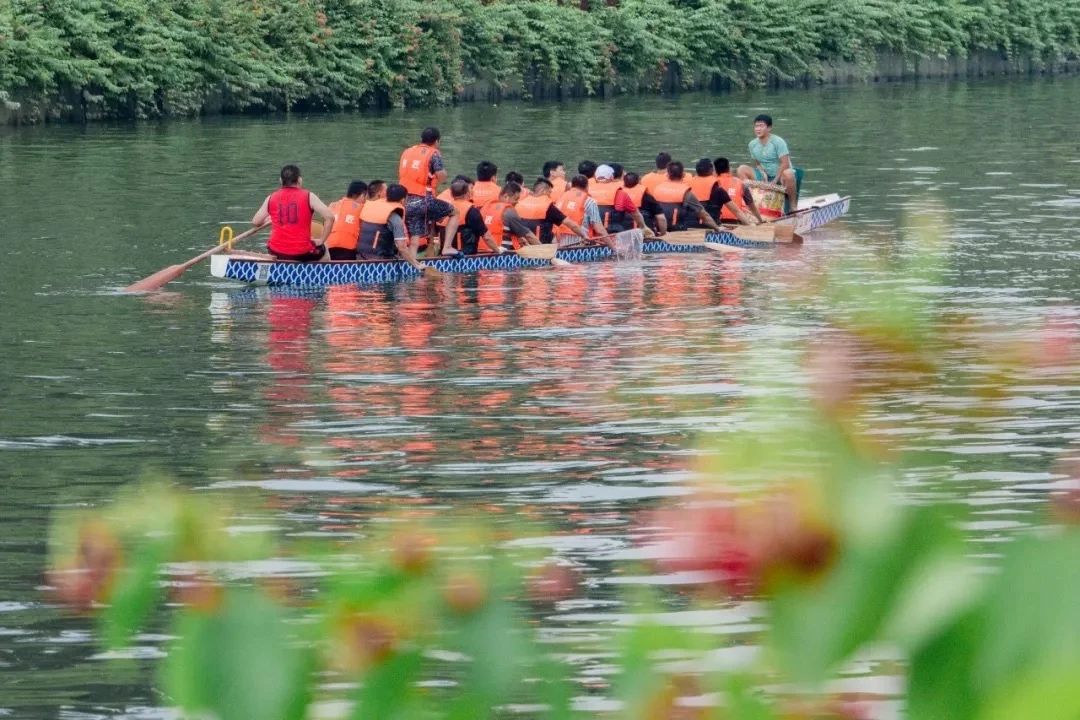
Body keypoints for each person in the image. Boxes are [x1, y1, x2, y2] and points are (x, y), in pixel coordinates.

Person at [251, 164, 336, 262]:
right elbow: (330, 217)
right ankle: (318, 273)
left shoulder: (271, 198)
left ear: (281, 180)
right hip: (301, 253)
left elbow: (256, 222)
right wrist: (321, 240)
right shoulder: (309, 196)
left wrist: (267, 219)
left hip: (275, 252)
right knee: (324, 247)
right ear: (299, 180)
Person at [398, 126, 460, 255]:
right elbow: (441, 175)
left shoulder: (407, 151)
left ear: (421, 139)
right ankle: (447, 247)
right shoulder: (433, 153)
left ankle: (412, 261)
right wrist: (443, 174)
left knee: (415, 237)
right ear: (437, 141)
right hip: (424, 201)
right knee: (455, 212)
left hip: (405, 201)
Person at [651, 161, 754, 231]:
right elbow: (706, 216)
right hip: (691, 229)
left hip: (673, 229)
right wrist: (718, 229)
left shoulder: (658, 189)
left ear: (667, 175)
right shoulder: (687, 192)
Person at [737, 114, 799, 211]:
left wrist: (775, 180)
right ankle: (751, 204)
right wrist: (762, 172)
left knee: (789, 173)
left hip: (780, 176)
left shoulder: (778, 141)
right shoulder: (752, 144)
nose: (758, 129)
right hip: (765, 176)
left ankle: (793, 206)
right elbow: (757, 162)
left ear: (769, 128)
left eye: (761, 126)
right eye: (756, 126)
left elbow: (785, 163)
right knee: (741, 169)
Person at [357, 183, 425, 271]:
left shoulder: (370, 205)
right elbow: (402, 248)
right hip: (379, 261)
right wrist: (417, 265)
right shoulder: (395, 218)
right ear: (403, 200)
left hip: (360, 256)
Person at [516, 177, 591, 244]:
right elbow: (571, 224)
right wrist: (584, 236)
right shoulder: (548, 207)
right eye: (549, 192)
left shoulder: (520, 203)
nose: (550, 195)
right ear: (544, 191)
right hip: (541, 249)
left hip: (521, 245)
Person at [443, 178, 504, 255]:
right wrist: (497, 249)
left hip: (444, 257)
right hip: (465, 257)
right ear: (468, 193)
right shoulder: (471, 211)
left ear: (451, 194)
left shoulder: (445, 208)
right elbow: (486, 236)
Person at [589, 164, 654, 236]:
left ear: (595, 178)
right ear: (611, 177)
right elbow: (635, 213)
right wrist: (643, 227)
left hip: (590, 231)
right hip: (612, 232)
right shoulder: (619, 193)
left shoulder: (587, 190)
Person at [481, 182, 543, 250]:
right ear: (506, 196)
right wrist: (545, 251)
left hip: (481, 252)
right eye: (516, 199)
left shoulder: (485, 208)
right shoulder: (508, 212)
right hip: (501, 255)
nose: (517, 202)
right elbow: (528, 235)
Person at [554, 175, 610, 247]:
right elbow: (600, 230)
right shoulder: (590, 201)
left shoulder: (561, 198)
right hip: (579, 243)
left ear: (572, 186)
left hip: (557, 243)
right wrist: (613, 248)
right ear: (587, 186)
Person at [324, 180, 368, 260]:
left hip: (328, 249)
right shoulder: (362, 208)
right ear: (362, 195)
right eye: (365, 197)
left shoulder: (332, 205)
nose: (365, 200)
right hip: (348, 250)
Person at [714, 157, 762, 224]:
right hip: (734, 221)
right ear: (729, 169)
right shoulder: (740, 183)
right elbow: (751, 206)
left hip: (715, 221)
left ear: (715, 171)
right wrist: (760, 220)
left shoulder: (711, 183)